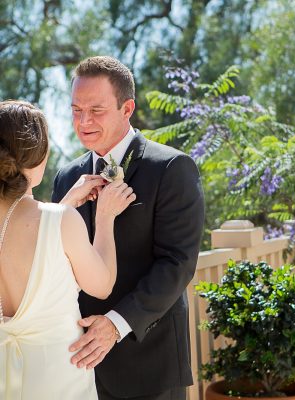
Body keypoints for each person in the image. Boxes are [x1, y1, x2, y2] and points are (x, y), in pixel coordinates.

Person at [51, 56, 205, 400]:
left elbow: (177, 264)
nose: (84, 121)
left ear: (127, 108)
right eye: (76, 110)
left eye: (96, 110)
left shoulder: (172, 168)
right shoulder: (65, 178)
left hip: (148, 362)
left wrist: (115, 325)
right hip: (76, 365)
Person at [0, 100, 136, 399]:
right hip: (58, 377)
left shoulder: (56, 217)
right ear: (39, 153)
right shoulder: (59, 220)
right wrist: (104, 217)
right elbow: (101, 286)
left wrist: (67, 204)